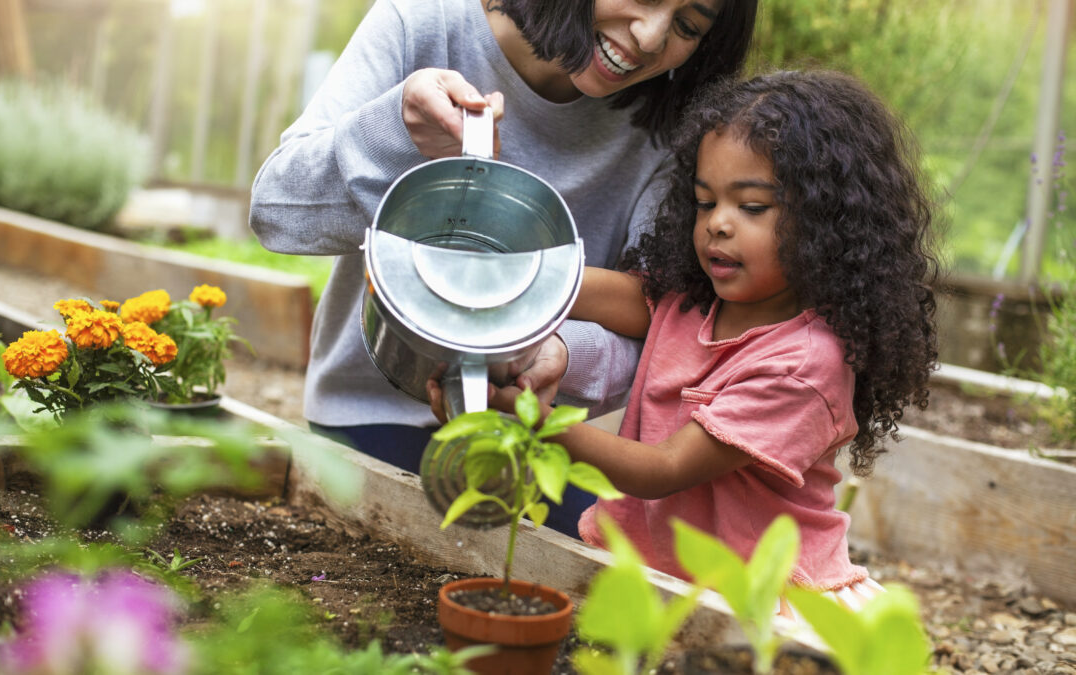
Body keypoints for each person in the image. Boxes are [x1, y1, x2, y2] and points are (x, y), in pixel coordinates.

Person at [432, 69, 941, 607]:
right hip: (658, 576)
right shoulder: (699, 301)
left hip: (760, 600)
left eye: (751, 207)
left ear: (826, 223)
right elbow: (626, 298)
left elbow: (664, 469)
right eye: (705, 202)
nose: (717, 224)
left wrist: (525, 416)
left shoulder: (805, 363)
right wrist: (522, 279)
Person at [249, 0, 758, 537]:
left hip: (530, 437)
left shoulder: (668, 128)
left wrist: (561, 352)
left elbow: (662, 325)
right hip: (371, 414)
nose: (651, 38)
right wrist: (397, 129)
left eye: (688, 26)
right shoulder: (423, 23)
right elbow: (276, 212)